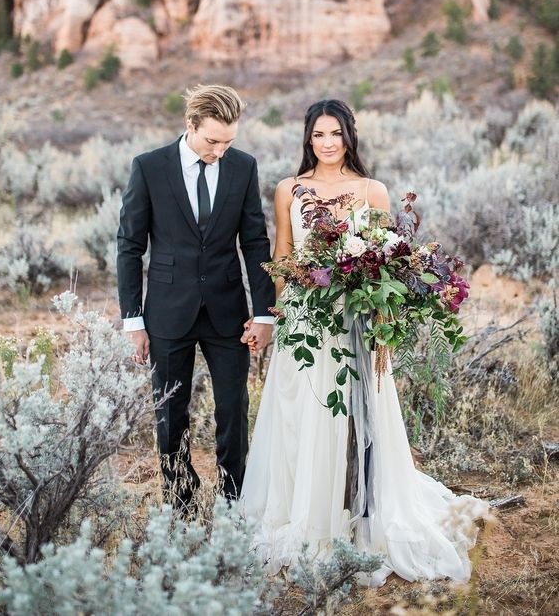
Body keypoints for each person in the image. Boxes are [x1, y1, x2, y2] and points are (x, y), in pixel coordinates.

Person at [241, 99, 488, 584]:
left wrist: (383, 325)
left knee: (356, 412)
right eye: (318, 135)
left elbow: (384, 261)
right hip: (306, 320)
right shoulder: (289, 190)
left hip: (356, 322)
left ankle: (359, 507)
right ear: (307, 140)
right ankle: (307, 509)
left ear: (350, 135)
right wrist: (279, 314)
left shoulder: (372, 190)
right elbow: (284, 254)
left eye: (335, 133)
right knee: (300, 414)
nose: (327, 143)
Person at [117, 84, 275, 512]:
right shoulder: (149, 168)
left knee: (233, 411)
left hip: (228, 312)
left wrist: (264, 313)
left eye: (228, 142)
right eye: (212, 141)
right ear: (190, 125)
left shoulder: (244, 167)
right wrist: (133, 320)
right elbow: (130, 245)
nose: (219, 151)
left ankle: (233, 500)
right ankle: (179, 502)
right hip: (167, 312)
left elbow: (256, 242)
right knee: (171, 412)